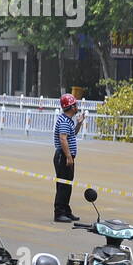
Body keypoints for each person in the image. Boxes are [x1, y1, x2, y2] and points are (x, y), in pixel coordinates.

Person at [52, 93, 86, 223]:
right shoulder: (64, 121)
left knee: (67, 185)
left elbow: (72, 135)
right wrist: (68, 157)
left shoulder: (67, 120)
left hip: (66, 156)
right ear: (71, 107)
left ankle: (66, 211)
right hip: (63, 156)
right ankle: (59, 213)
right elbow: (63, 139)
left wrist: (78, 124)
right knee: (63, 185)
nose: (77, 107)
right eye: (75, 105)